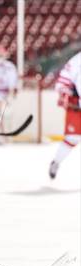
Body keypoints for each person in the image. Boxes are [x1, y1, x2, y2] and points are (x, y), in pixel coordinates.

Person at [49, 51, 81, 179]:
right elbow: (64, 78)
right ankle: (56, 162)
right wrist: (64, 90)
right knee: (72, 138)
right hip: (77, 105)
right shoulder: (78, 59)